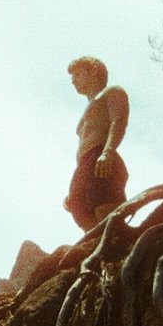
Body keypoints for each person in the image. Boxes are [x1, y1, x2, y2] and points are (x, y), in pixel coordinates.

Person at [63, 55, 130, 231]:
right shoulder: (86, 112)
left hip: (100, 156)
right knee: (76, 203)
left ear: (92, 71)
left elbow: (118, 120)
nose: (73, 81)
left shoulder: (111, 92)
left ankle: (114, 241)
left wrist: (107, 152)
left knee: (103, 205)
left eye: (77, 75)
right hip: (85, 164)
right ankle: (96, 246)